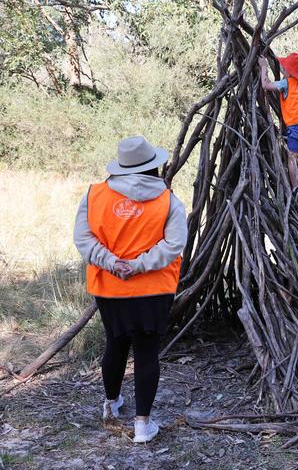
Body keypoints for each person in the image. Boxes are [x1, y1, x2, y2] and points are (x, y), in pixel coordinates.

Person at [73, 136, 188, 443]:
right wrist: (138, 265)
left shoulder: (95, 195)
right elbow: (174, 244)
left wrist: (112, 263)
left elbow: (83, 239)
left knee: (116, 342)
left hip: (109, 288)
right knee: (147, 351)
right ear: (153, 166)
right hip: (153, 288)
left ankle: (111, 405)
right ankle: (142, 425)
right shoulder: (169, 200)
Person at [258, 53, 298, 198]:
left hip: (297, 126)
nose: (283, 68)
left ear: (289, 71)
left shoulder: (286, 83)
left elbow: (265, 85)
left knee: (292, 156)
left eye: (285, 67)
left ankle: (296, 188)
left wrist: (263, 67)